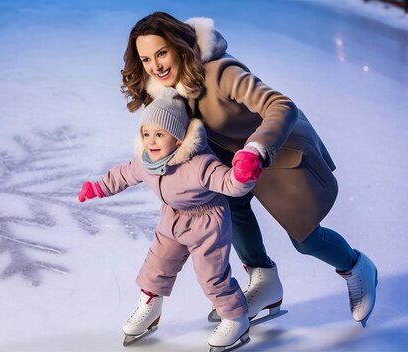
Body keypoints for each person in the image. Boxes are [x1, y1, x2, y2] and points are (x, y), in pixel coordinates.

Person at [120, 12, 377, 327]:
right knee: (229, 207)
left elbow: (281, 106)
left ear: (179, 46)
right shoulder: (165, 89)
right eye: (146, 59)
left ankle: (356, 266)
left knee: (306, 239)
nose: (155, 66)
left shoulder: (220, 73)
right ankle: (263, 278)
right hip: (230, 163)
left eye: (161, 53)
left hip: (278, 153)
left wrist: (256, 149)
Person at [78, 87, 262, 350]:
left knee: (212, 277)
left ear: (177, 139)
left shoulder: (199, 163)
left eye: (159, 135)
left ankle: (236, 317)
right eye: (146, 134)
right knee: (156, 266)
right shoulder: (145, 161)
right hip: (171, 220)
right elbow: (123, 174)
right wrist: (98, 187)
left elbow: (228, 183)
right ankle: (150, 307)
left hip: (206, 222)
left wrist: (243, 176)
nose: (151, 141)